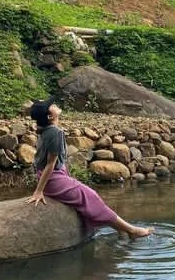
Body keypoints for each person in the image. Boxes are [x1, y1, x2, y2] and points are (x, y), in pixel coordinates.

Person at [27, 97, 153, 238]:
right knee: (91, 196)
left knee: (88, 197)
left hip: (56, 176)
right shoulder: (54, 132)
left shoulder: (46, 129)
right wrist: (39, 191)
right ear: (50, 116)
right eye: (51, 106)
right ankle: (131, 231)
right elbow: (50, 164)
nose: (54, 104)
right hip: (53, 179)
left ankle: (120, 229)